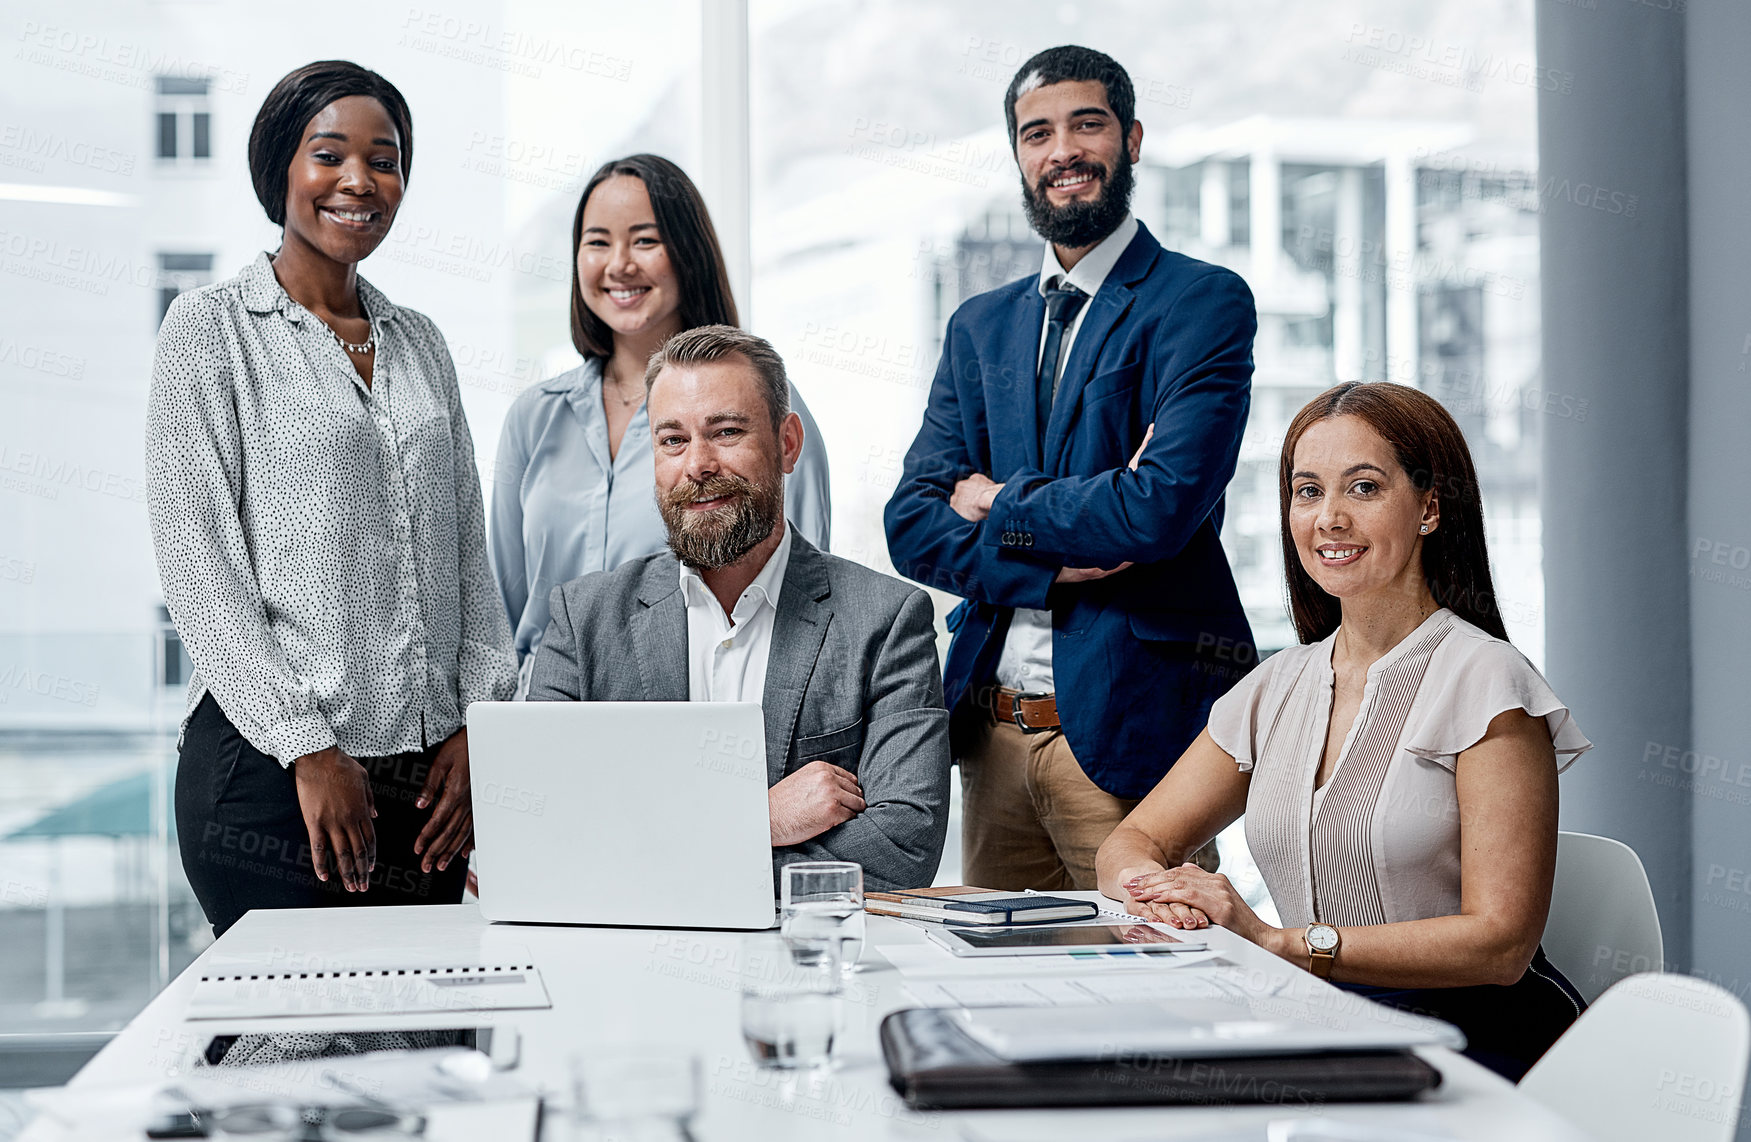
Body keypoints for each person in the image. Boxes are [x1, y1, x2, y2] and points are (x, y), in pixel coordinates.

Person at [1096, 382, 1591, 1081]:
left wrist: (1280, 941)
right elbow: (1132, 840)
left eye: (1362, 487)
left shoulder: (1488, 682)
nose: (1327, 517)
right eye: (1306, 491)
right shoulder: (1274, 684)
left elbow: (1500, 944)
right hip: (1311, 1023)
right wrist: (1158, 893)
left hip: (1469, 1039)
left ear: (1428, 506)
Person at [146, 61, 516, 937]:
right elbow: (199, 567)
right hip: (274, 774)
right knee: (293, 1051)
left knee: (426, 1051)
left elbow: (471, 553)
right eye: (328, 155)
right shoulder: (209, 332)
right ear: (279, 169)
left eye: (383, 160)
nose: (359, 181)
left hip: (427, 791)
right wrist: (308, 746)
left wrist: (481, 727)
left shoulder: (421, 343)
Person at [884, 45, 1255, 891]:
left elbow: (1156, 507)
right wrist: (1059, 550)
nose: (1062, 152)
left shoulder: (1200, 302)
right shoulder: (977, 327)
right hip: (991, 737)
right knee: (1005, 1003)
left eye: (1085, 124)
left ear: (1129, 138)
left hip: (1132, 740)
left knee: (1154, 997)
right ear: (1017, 155)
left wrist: (998, 502)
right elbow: (909, 522)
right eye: (1035, 133)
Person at [528, 326, 950, 890]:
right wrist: (758, 818)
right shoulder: (582, 622)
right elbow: (544, 834)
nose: (698, 464)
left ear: (788, 444)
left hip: (806, 967)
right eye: (672, 440)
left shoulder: (887, 620)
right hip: (627, 967)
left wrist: (648, 859)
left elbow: (901, 849)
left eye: (726, 432)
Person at [489, 154, 830, 694]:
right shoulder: (535, 416)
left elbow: (805, 596)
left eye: (645, 241)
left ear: (687, 253)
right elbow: (502, 609)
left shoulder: (763, 410)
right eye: (597, 242)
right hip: (544, 716)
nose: (619, 264)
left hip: (687, 716)